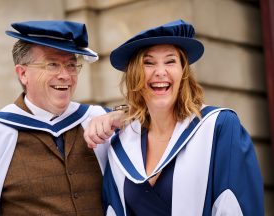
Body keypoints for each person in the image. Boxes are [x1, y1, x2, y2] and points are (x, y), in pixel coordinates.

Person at [84, 19, 264, 215]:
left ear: (183, 72)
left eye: (170, 61)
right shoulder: (123, 144)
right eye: (148, 63)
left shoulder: (217, 128)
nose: (160, 72)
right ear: (135, 75)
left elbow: (236, 207)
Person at [0, 20, 120, 215]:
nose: (65, 75)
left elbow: (156, 131)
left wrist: (123, 116)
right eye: (52, 65)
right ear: (23, 74)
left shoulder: (101, 121)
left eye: (71, 65)